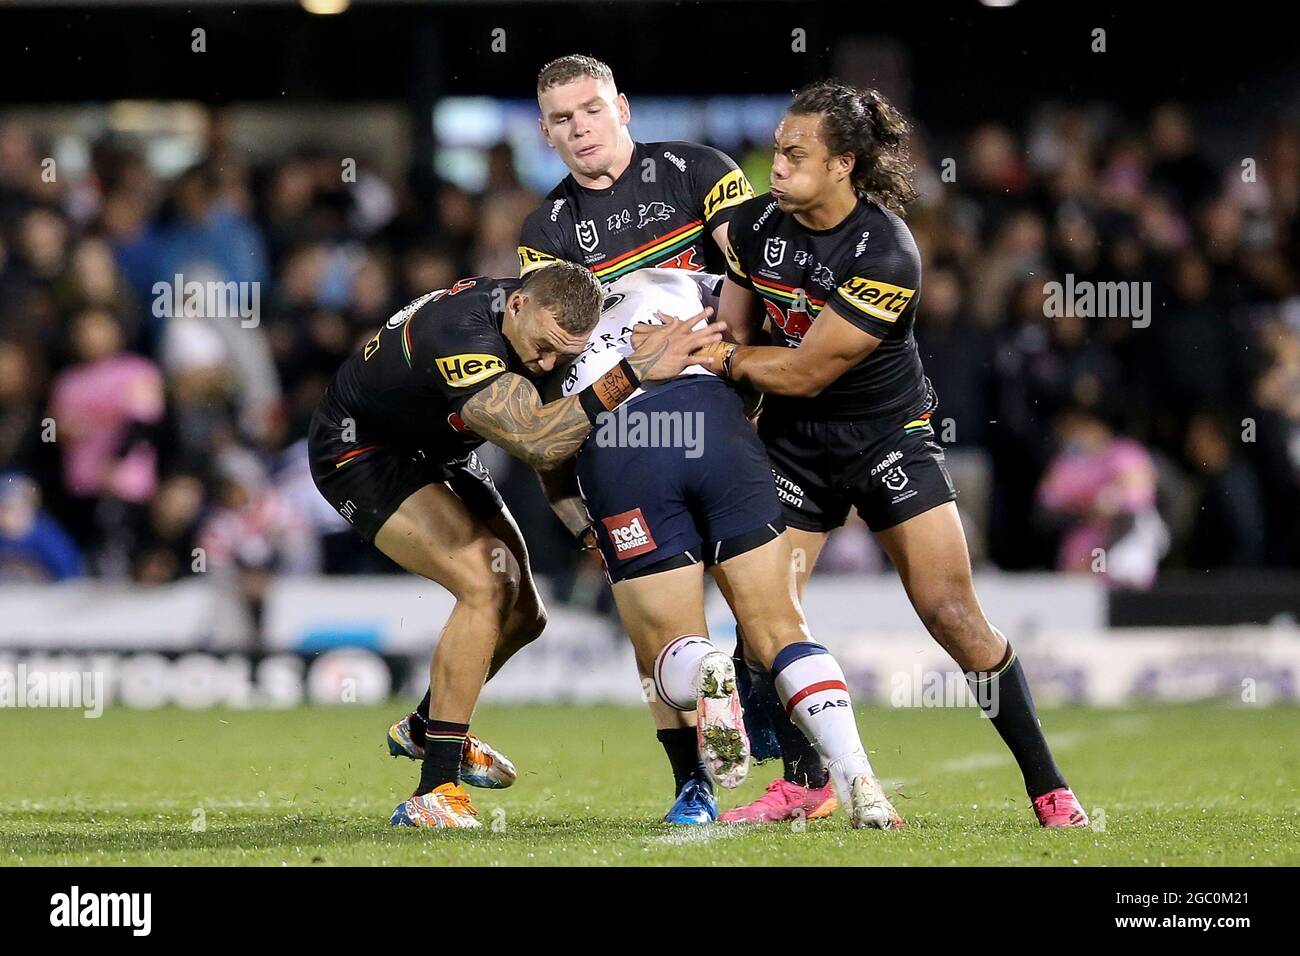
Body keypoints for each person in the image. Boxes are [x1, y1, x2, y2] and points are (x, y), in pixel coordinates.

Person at [697, 80, 1088, 828]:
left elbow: (804, 369)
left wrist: (729, 363)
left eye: (794, 154)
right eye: (776, 150)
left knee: (952, 613)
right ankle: (804, 783)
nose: (774, 166)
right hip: (792, 449)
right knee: (760, 620)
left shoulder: (886, 250)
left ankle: (1049, 786)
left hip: (886, 439)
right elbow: (736, 333)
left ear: (843, 164)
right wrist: (725, 360)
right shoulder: (751, 228)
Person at [308, 261, 722, 828]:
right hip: (363, 454)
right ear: (520, 305)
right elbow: (535, 438)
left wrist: (584, 529)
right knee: (483, 585)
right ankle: (436, 791)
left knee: (527, 615)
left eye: (564, 356)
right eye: (545, 349)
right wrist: (632, 372)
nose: (548, 364)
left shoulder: (539, 331)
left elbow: (555, 436)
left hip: (440, 451)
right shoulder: (459, 336)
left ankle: (432, 727)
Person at [544, 266, 902, 829]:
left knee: (666, 653)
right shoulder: (696, 282)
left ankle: (708, 668)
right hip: (716, 426)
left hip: (621, 439)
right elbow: (772, 344)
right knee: (781, 628)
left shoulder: (556, 326)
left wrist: (584, 528)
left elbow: (543, 442)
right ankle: (859, 777)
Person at [516, 53, 761, 822]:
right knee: (650, 625)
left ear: (621, 107)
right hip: (624, 434)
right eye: (562, 119)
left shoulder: (698, 172)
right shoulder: (545, 229)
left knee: (764, 613)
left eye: (591, 109)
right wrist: (562, 484)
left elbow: (762, 274)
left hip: (730, 411)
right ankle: (694, 783)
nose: (580, 128)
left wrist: (747, 372)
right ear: (546, 134)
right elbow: (552, 366)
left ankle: (801, 761)